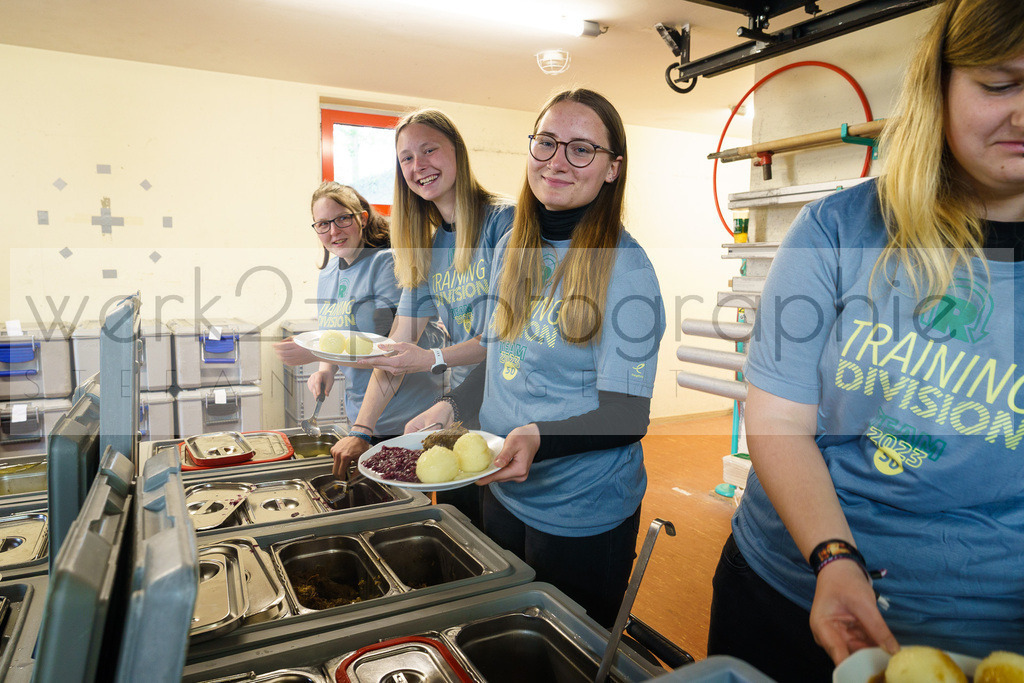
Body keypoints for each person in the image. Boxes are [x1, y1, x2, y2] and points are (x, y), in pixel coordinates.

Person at [707, 0, 1024, 679]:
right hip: (789, 584)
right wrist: (833, 556)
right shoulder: (837, 227)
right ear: (939, 87)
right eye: (1001, 84)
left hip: (988, 631)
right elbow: (778, 417)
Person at [407, 88, 666, 628]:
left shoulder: (626, 269)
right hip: (504, 486)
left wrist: (540, 437)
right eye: (546, 142)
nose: (557, 161)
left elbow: (627, 415)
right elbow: (502, 356)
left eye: (581, 149)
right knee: (503, 631)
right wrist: (452, 406)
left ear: (612, 168)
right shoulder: (509, 248)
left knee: (565, 651)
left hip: (580, 509)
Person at [331, 109, 514, 523]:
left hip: (510, 407)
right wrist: (361, 430)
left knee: (501, 530)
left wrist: (432, 359)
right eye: (407, 158)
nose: (419, 165)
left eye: (429, 149)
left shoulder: (505, 223)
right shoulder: (429, 248)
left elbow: (505, 340)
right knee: (462, 525)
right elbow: (395, 351)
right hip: (463, 410)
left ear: (457, 153)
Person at [274, 182, 445, 461]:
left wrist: (314, 352)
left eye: (342, 219)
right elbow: (333, 330)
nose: (333, 231)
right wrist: (325, 368)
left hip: (409, 416)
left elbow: (393, 350)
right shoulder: (328, 274)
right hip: (362, 414)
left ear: (362, 218)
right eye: (322, 224)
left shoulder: (387, 264)